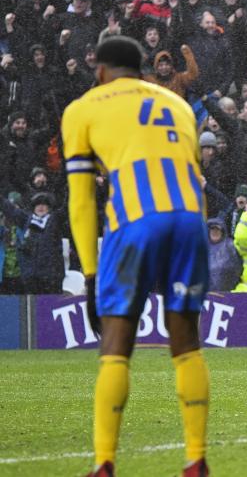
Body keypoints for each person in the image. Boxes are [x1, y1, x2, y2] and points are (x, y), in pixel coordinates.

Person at [61, 37, 210, 476]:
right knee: (185, 339)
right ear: (143, 68)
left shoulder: (84, 108)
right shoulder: (177, 104)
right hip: (189, 219)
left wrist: (90, 274)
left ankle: (105, 463)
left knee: (117, 341)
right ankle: (196, 459)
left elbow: (81, 201)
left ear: (101, 70)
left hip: (135, 221)